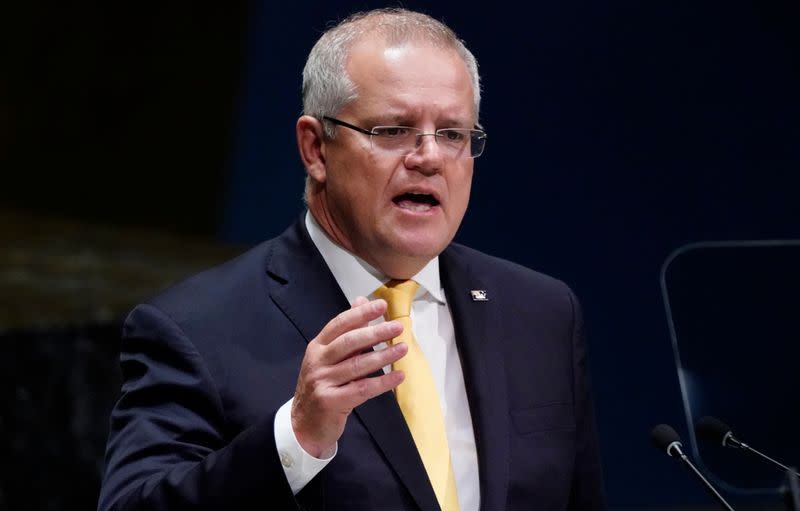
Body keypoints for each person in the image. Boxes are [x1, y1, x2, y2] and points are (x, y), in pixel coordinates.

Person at [97, 7, 606, 511]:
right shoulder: (196, 329)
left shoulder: (541, 314)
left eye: (452, 134)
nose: (428, 157)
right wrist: (295, 438)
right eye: (393, 130)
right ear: (316, 148)